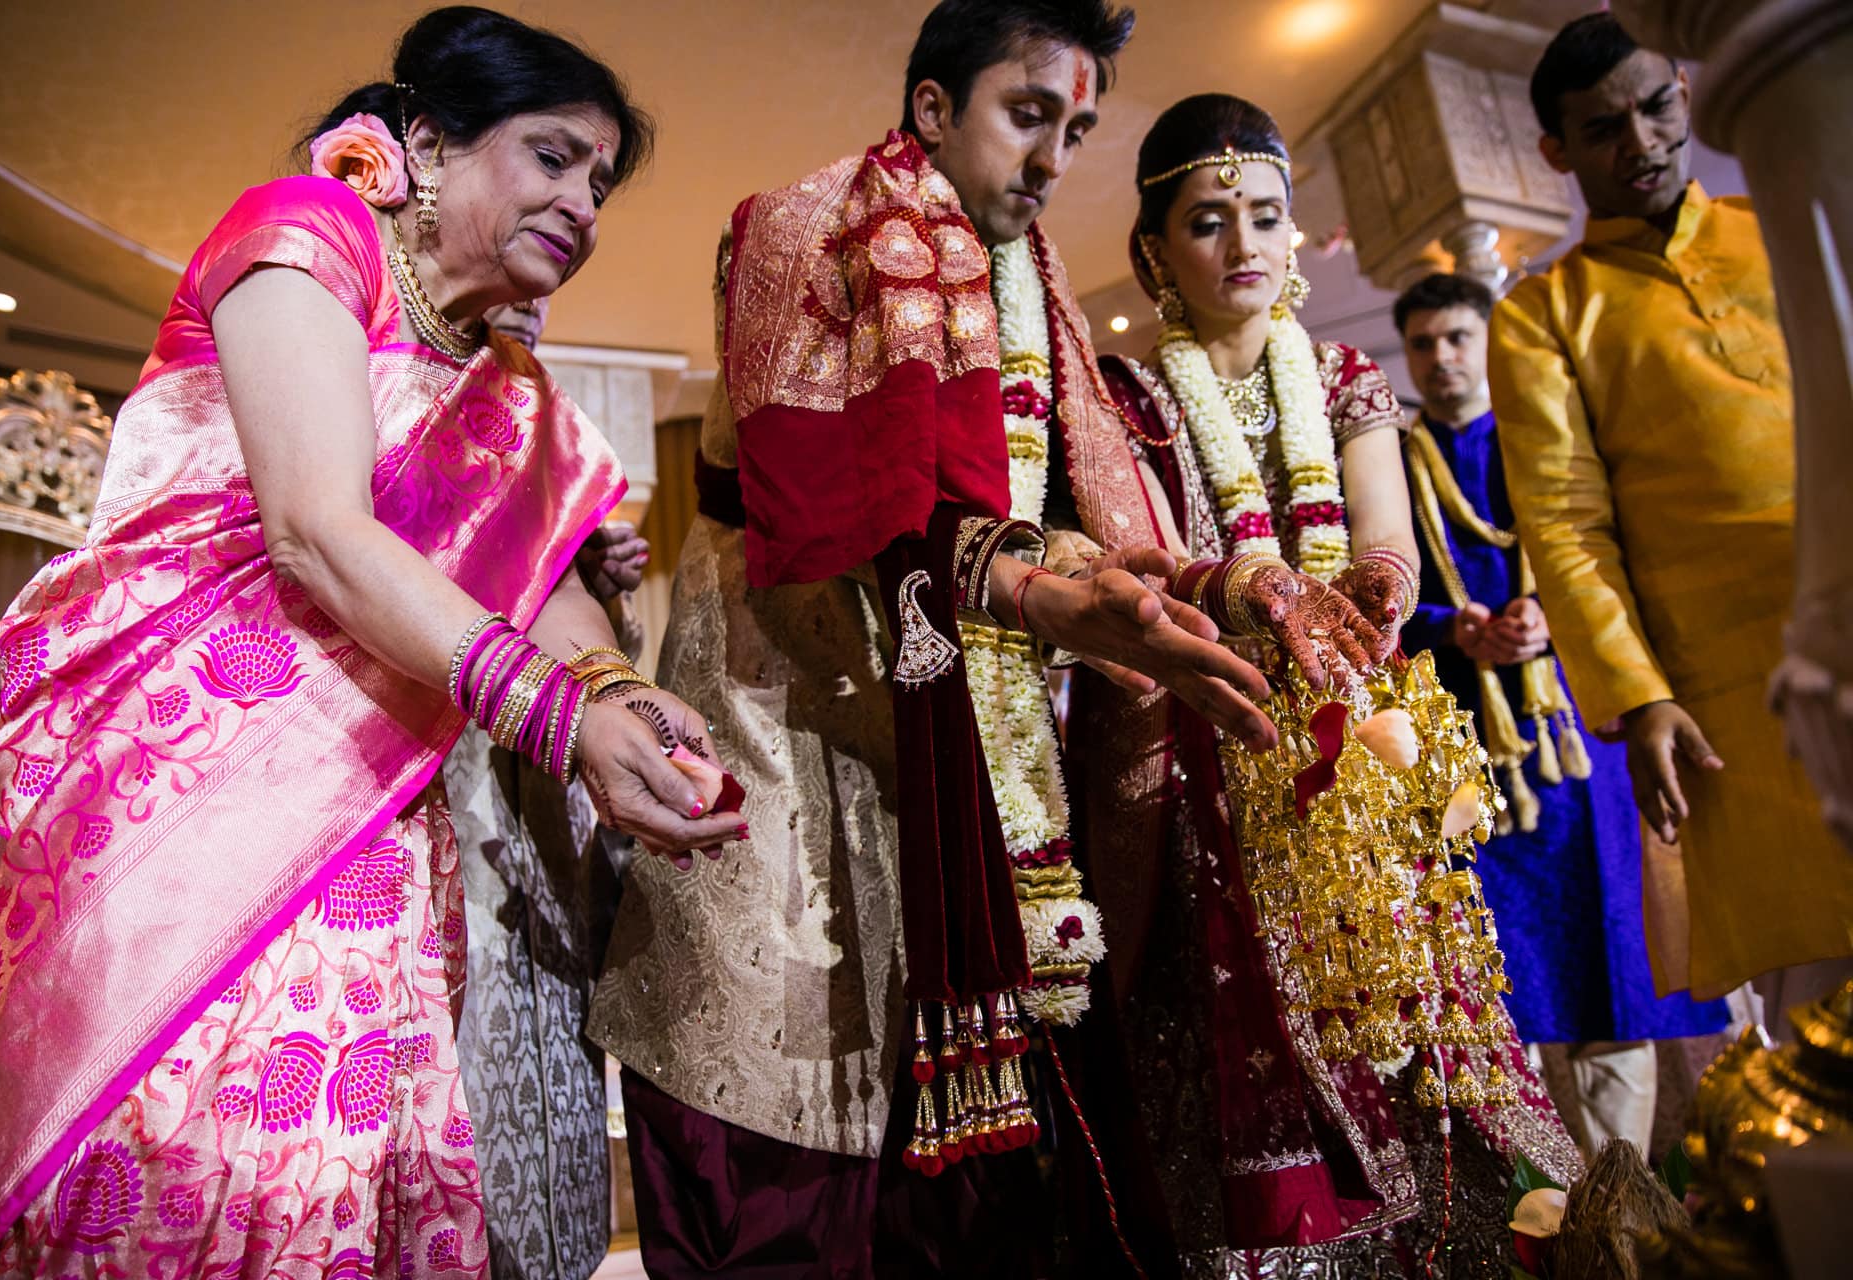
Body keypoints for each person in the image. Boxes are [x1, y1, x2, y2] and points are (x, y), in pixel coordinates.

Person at [0, 8, 745, 1277]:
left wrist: (621, 697)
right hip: (176, 786)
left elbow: (546, 594)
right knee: (191, 1151)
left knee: (335, 1159)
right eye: (551, 156)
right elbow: (316, 528)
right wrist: (555, 715)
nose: (583, 204)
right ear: (424, 141)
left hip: (364, 816)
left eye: (600, 181)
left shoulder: (508, 392)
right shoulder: (306, 237)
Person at [590, 3, 1287, 1274]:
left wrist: (1209, 582)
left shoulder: (1035, 291)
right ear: (928, 108)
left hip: (954, 738)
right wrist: (1046, 595)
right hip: (782, 727)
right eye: (1029, 115)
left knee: (983, 1173)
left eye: (1074, 130)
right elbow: (835, 521)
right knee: (789, 1144)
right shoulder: (797, 230)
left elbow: (1053, 516)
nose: (1053, 160)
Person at [1061, 94, 1583, 1276]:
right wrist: (1251, 592)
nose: (1244, 244)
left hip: (1350, 735)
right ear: (1155, 252)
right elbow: (1123, 556)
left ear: (1296, 234)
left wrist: (1381, 592)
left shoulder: (1345, 374)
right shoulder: (1128, 401)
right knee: (1235, 1014)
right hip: (1209, 737)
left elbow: (1380, 531)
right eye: (1208, 220)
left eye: (1265, 215)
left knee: (1408, 999)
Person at [1491, 12, 1853, 1010]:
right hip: (1734, 697)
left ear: (1685, 95)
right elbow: (1564, 521)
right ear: (1556, 150)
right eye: (1605, 128)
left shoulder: (1771, 217)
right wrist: (1636, 694)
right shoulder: (1544, 311)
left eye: (1656, 108)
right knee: (1825, 1000)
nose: (1642, 143)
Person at [1393, 271, 1727, 1158]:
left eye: (1459, 337)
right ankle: (1544, 1195)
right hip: (1468, 744)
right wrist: (1451, 628)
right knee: (1506, 968)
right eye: (1424, 344)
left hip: (1575, 736)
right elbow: (1382, 591)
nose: (1442, 359)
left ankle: (1629, 1189)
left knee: (1609, 947)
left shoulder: (1545, 434)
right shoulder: (1391, 460)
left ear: (1488, 342)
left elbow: (1608, 547)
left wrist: (1555, 617)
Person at [444, 293, 653, 1278]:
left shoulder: (546, 426)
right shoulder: (376, 404)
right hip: (435, 799)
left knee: (559, 1076)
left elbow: (582, 630)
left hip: (551, 817)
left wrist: (597, 575)